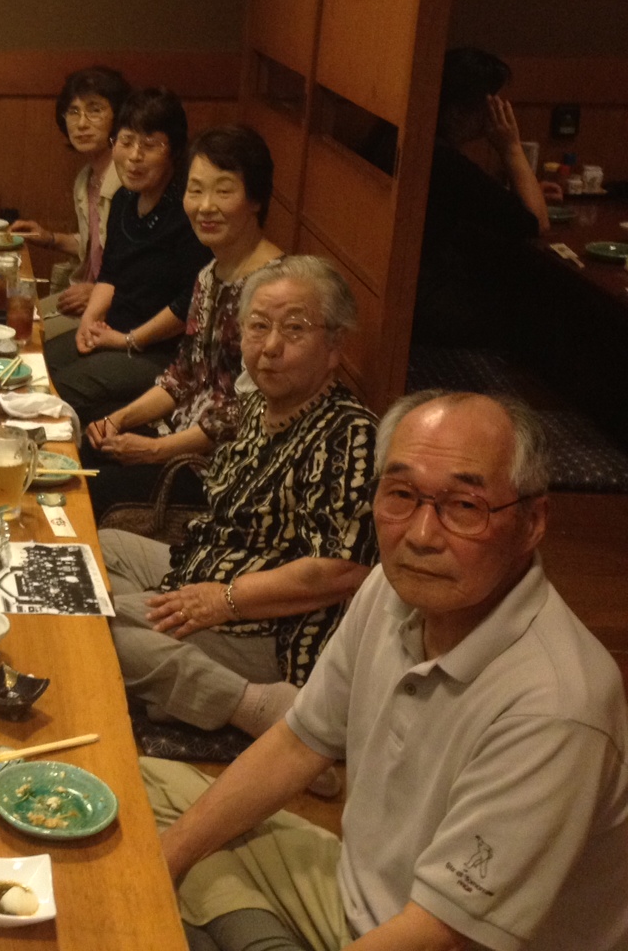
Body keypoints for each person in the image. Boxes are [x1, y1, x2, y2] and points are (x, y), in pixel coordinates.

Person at [147, 391, 628, 951]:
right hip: (353, 897)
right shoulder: (389, 589)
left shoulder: (558, 708)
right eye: (400, 494)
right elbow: (298, 744)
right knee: (143, 791)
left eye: (463, 506)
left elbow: (441, 935)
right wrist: (160, 865)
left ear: (533, 521)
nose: (421, 535)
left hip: (433, 936)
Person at [101, 255, 376, 744]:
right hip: (206, 566)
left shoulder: (350, 435)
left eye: (294, 329)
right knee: (100, 549)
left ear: (334, 346)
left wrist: (225, 600)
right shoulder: (256, 408)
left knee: (94, 625)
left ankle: (254, 705)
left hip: (275, 626)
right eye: (258, 326)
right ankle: (174, 677)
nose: (270, 347)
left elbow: (341, 570)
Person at [82, 125, 283, 515]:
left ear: (255, 200)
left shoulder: (274, 290)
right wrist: (117, 420)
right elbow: (183, 375)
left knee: (95, 489)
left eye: (223, 191)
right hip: (180, 431)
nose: (205, 206)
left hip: (222, 468)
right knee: (87, 441)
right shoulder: (209, 275)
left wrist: (155, 451)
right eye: (196, 190)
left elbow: (248, 411)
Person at [49, 87, 210, 424]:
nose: (135, 156)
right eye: (126, 141)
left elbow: (189, 304)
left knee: (58, 392)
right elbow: (110, 272)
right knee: (36, 364)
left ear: (174, 151)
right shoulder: (124, 199)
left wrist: (127, 340)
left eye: (150, 145)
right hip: (115, 330)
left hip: (161, 353)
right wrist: (89, 321)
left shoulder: (186, 212)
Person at [413, 47, 550, 348]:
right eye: (490, 105)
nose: (495, 115)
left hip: (414, 288)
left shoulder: (408, 138)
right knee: (541, 310)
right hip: (425, 303)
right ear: (456, 112)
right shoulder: (443, 162)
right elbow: (536, 222)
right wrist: (511, 148)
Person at [11, 65, 133, 341]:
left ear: (118, 116)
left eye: (95, 110)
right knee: (11, 319)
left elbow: (139, 266)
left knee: (26, 338)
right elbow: (95, 244)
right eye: (74, 111)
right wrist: (49, 238)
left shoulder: (127, 179)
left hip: (114, 310)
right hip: (84, 294)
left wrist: (99, 291)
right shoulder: (86, 177)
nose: (81, 123)